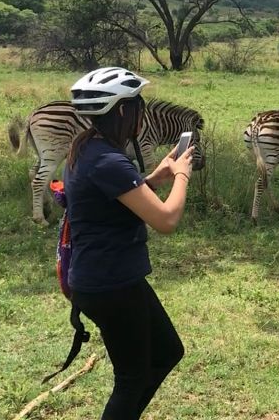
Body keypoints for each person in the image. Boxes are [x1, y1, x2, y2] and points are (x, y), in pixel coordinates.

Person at [65, 67, 194, 420]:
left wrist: (156, 176)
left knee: (168, 351)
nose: (142, 113)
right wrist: (182, 175)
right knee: (131, 378)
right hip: (111, 284)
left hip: (109, 279)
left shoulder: (89, 149)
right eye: (138, 105)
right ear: (123, 111)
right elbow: (166, 220)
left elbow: (119, 198)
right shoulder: (108, 160)